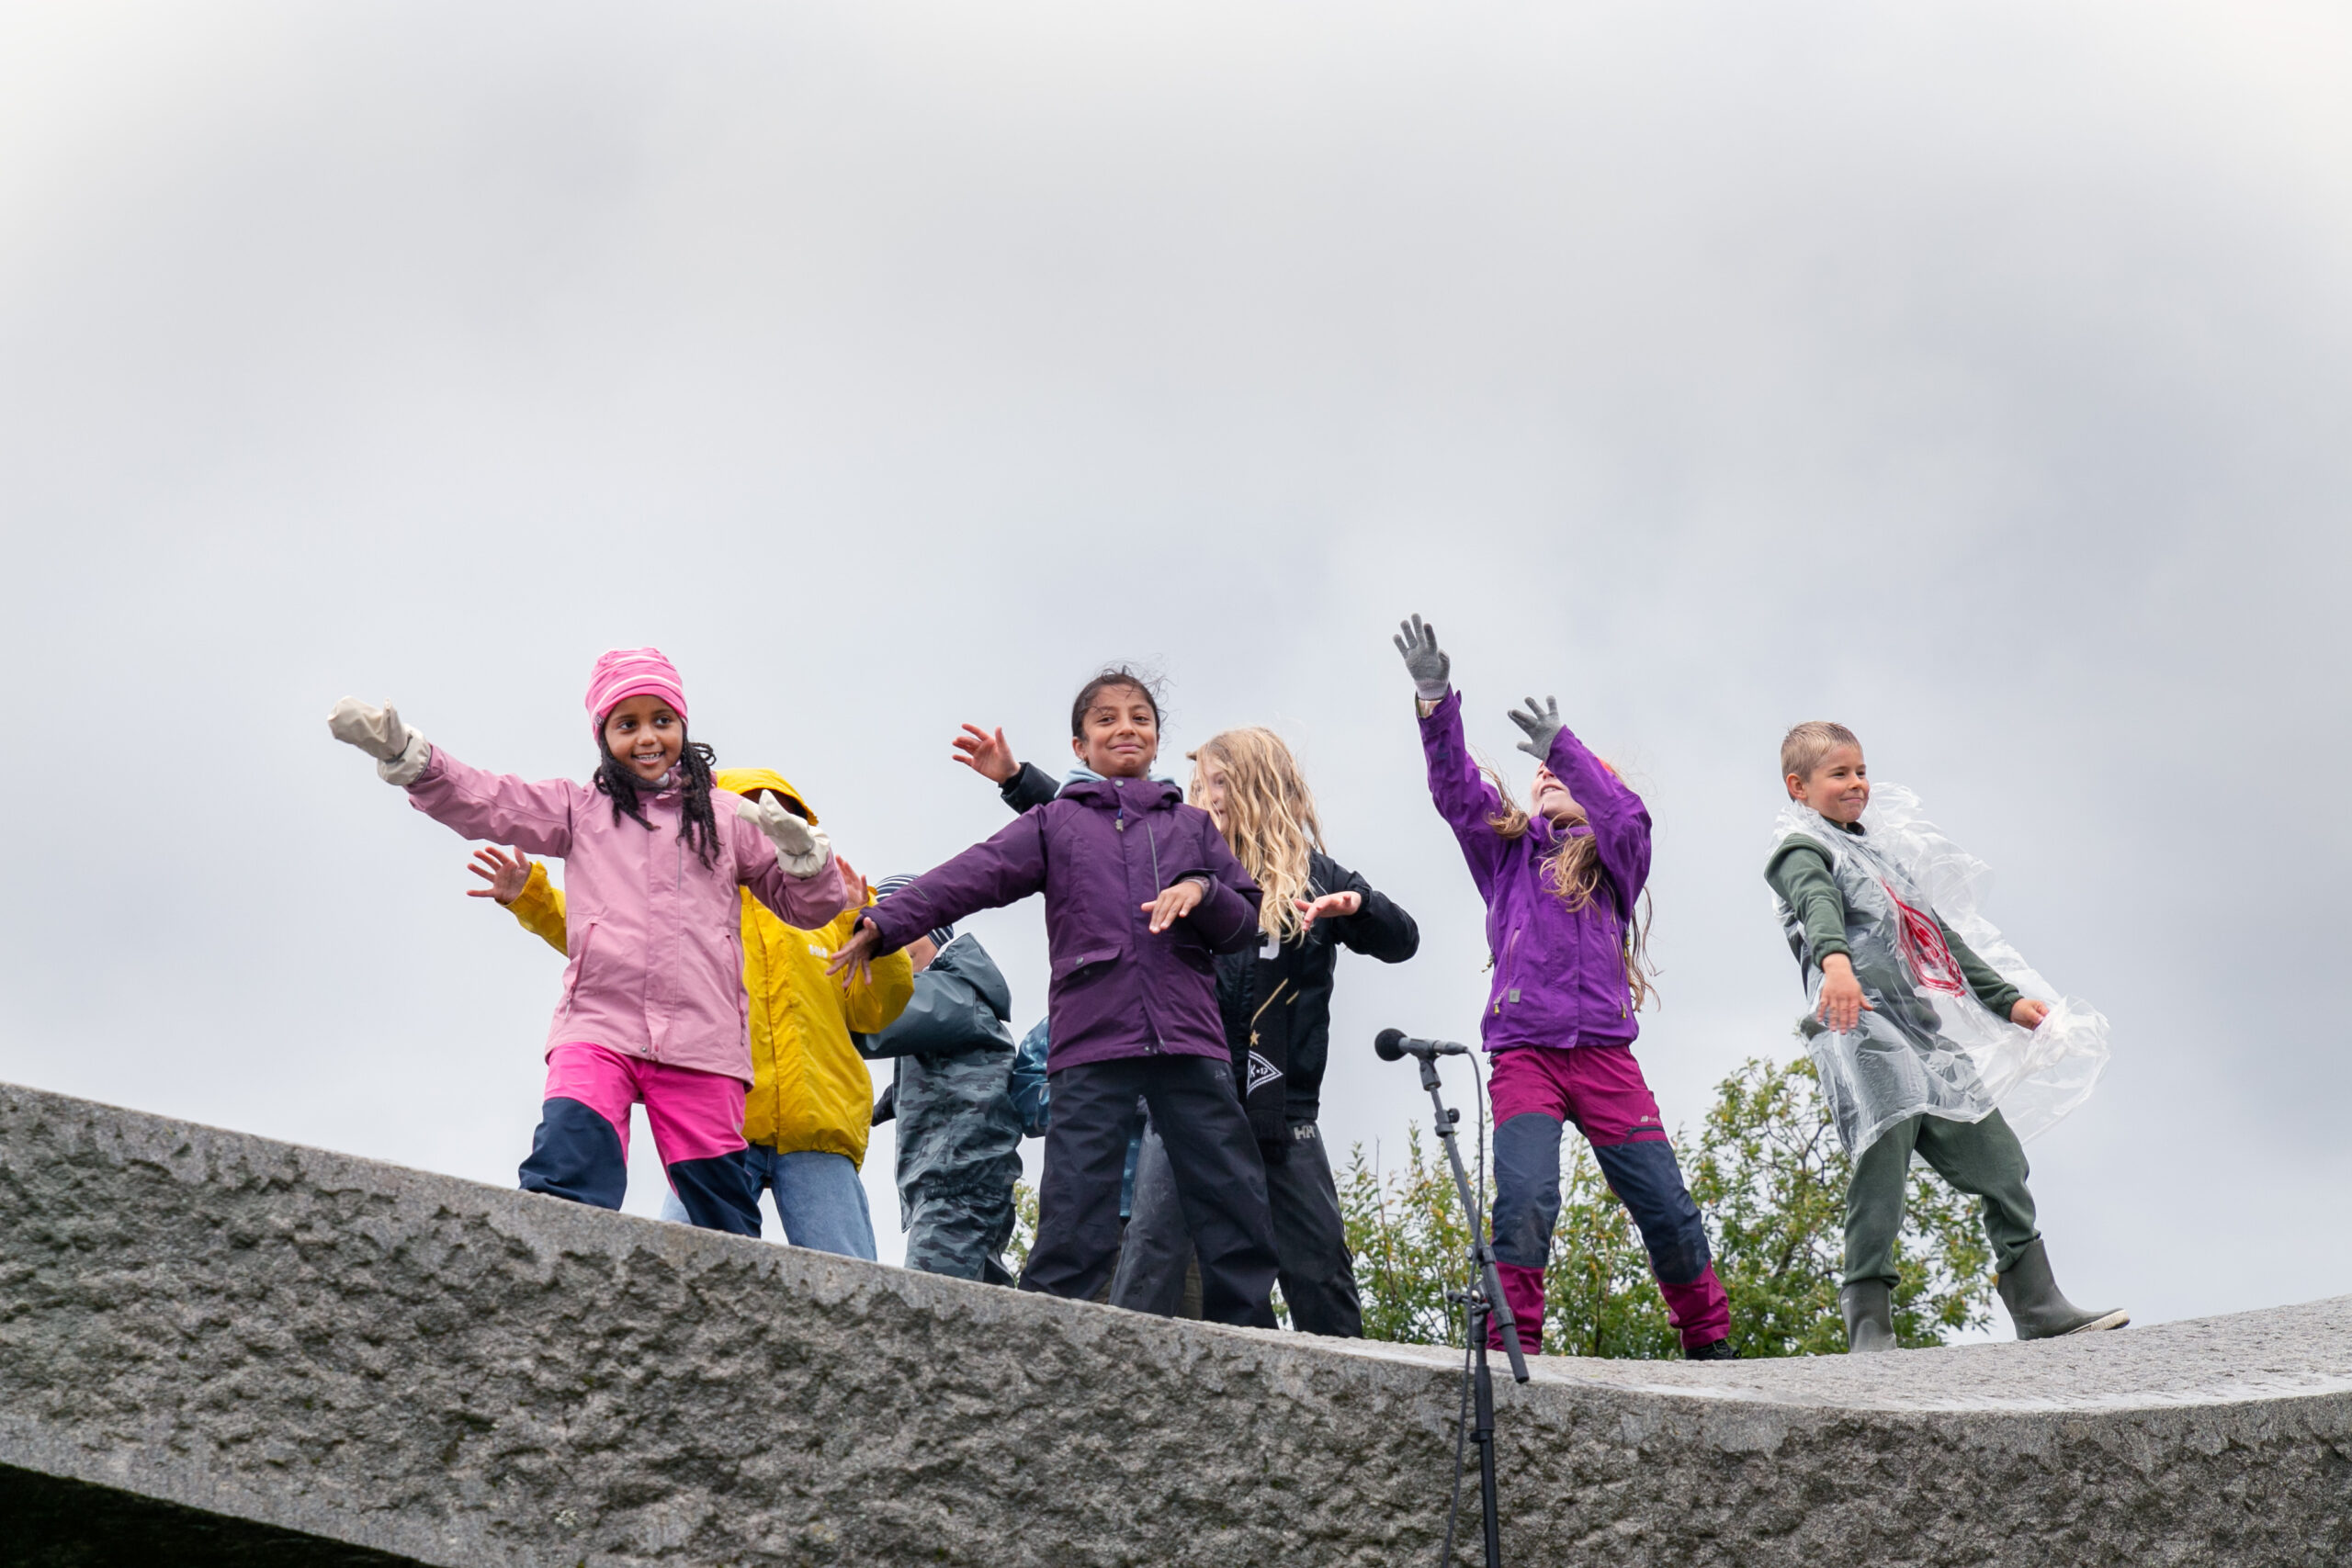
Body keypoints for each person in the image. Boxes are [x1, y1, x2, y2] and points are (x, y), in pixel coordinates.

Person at [326, 647, 851, 1235]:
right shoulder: (580, 810)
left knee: (721, 1212)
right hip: (600, 1025)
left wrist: (804, 859)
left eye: (662, 721)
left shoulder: (728, 818)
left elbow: (810, 909)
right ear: (604, 736)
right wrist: (411, 758)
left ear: (683, 726)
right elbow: (487, 800)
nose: (647, 738)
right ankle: (545, 1281)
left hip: (703, 1042)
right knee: (567, 1168)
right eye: (627, 725)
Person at [831, 666, 1281, 1325]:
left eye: (1139, 717)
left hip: (1186, 1035)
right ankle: (1045, 1340)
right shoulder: (1057, 824)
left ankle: (1252, 1340)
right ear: (1080, 747)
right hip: (1092, 1037)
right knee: (1075, 1206)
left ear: (1156, 740)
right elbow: (972, 874)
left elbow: (1247, 920)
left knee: (1230, 1193)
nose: (1124, 727)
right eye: (1105, 719)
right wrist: (883, 922)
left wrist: (1204, 893)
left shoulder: (1192, 828)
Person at [1396, 615, 1735, 1360]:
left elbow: (1625, 817)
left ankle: (1709, 1341)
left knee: (1668, 1207)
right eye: (1542, 771)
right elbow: (1456, 790)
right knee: (1525, 1200)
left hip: (1607, 1059)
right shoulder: (1508, 854)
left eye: (1567, 774)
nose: (1547, 774)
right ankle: (1513, 1341)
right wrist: (1434, 698)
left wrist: (1566, 750)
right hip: (1526, 1056)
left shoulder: (1618, 863)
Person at [1770, 720, 2125, 1351]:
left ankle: (2037, 1302)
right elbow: (1816, 904)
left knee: (2000, 1158)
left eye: (1860, 771)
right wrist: (1836, 965)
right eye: (1839, 774)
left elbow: (1942, 939)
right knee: (1884, 1156)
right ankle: (1870, 1323)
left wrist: (2008, 1000)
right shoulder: (1803, 848)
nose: (1856, 784)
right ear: (1799, 786)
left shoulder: (1879, 858)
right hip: (1864, 1028)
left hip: (1922, 1033)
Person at [463, 765, 912, 1258]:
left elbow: (878, 1011)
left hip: (817, 1132)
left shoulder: (827, 917)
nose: (765, 824)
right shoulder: (693, 898)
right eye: (752, 812)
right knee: (684, 1266)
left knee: (848, 1280)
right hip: (720, 1127)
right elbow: (610, 941)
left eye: (781, 814)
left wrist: (870, 928)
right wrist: (534, 897)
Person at [859, 875, 1025, 1282]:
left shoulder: (951, 992)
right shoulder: (946, 996)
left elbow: (875, 1028)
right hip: (960, 1183)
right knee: (976, 1299)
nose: (881, 947)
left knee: (928, 1306)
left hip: (956, 1185)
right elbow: (927, 1083)